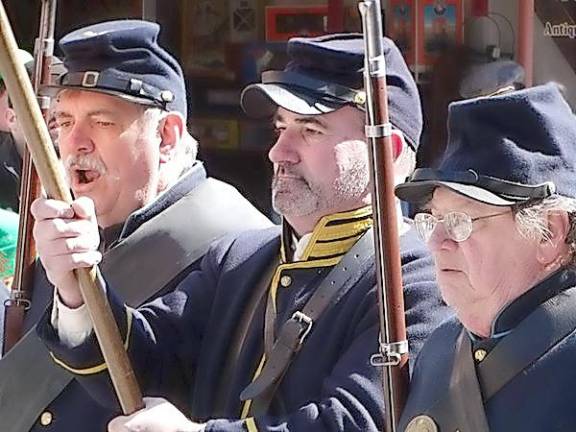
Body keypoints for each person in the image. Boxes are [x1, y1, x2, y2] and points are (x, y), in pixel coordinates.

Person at [33, 33, 451, 431]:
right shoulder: (240, 258)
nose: (279, 152)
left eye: (310, 130)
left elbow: (352, 423)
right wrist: (76, 287)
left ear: (388, 153)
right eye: (280, 128)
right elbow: (142, 364)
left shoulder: (415, 282)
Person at [0, 20, 271, 432]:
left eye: (101, 122)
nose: (75, 143)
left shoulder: (238, 247)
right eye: (64, 122)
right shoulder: (58, 237)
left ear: (166, 136)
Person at [395, 83, 576, 431]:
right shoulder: (440, 348)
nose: (436, 241)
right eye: (434, 219)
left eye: (461, 221)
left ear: (549, 233)